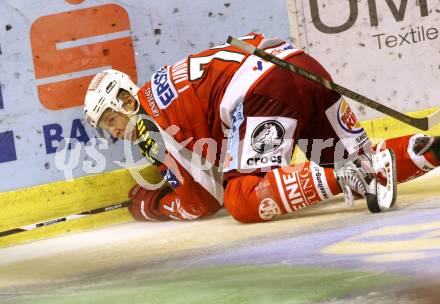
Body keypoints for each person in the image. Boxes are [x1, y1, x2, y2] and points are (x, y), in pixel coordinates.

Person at [84, 33, 440, 223]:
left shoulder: (148, 124)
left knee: (242, 200)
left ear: (128, 101)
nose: (115, 131)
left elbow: (203, 202)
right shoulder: (161, 92)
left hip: (265, 90)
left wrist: (154, 205)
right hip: (299, 65)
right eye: (106, 126)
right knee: (365, 162)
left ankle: (349, 174)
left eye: (112, 119)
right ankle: (433, 149)